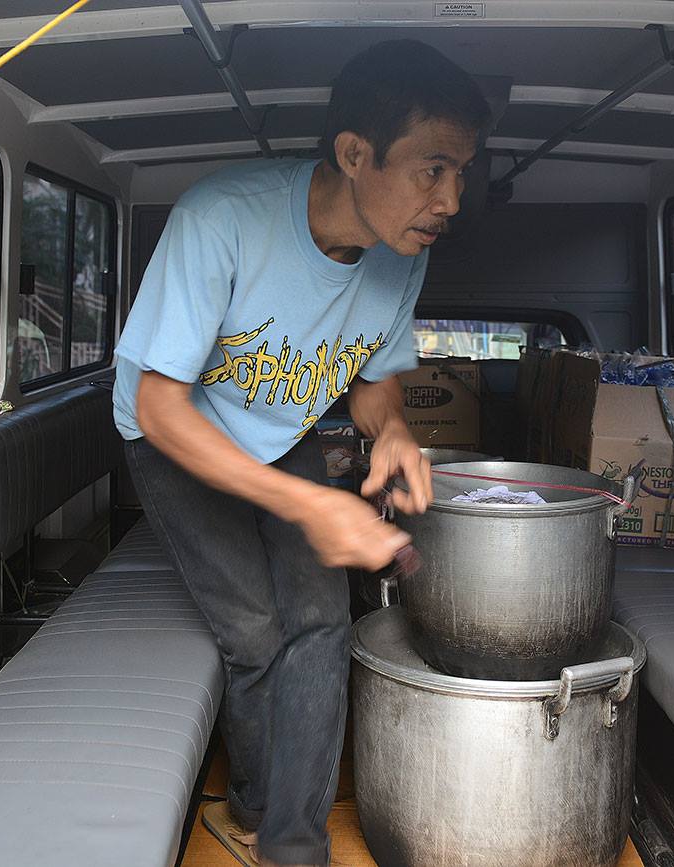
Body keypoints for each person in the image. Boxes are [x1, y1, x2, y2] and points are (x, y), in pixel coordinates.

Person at [111, 39, 491, 867]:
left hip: (280, 433)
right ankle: (249, 807)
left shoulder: (403, 255)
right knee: (255, 632)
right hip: (174, 435)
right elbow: (158, 406)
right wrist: (313, 502)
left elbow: (375, 380)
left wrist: (394, 432)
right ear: (354, 154)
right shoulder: (221, 219)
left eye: (462, 172)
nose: (451, 199)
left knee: (322, 620)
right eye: (432, 169)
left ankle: (293, 848)